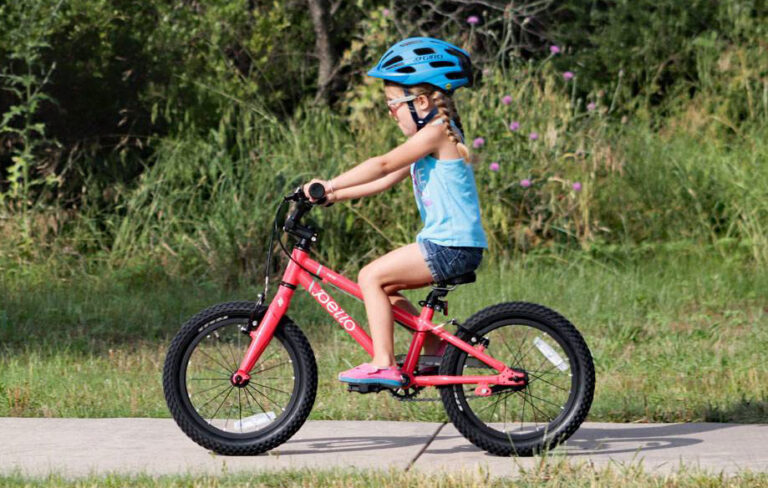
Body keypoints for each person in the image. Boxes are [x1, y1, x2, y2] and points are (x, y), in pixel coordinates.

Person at [303, 37, 488, 388]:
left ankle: (383, 363)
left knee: (370, 277)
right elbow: (385, 179)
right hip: (451, 244)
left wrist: (327, 182)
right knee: (385, 292)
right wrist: (333, 195)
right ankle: (433, 349)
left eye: (393, 104)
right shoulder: (435, 136)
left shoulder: (435, 134)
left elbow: (383, 162)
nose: (390, 112)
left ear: (420, 101)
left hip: (449, 245)